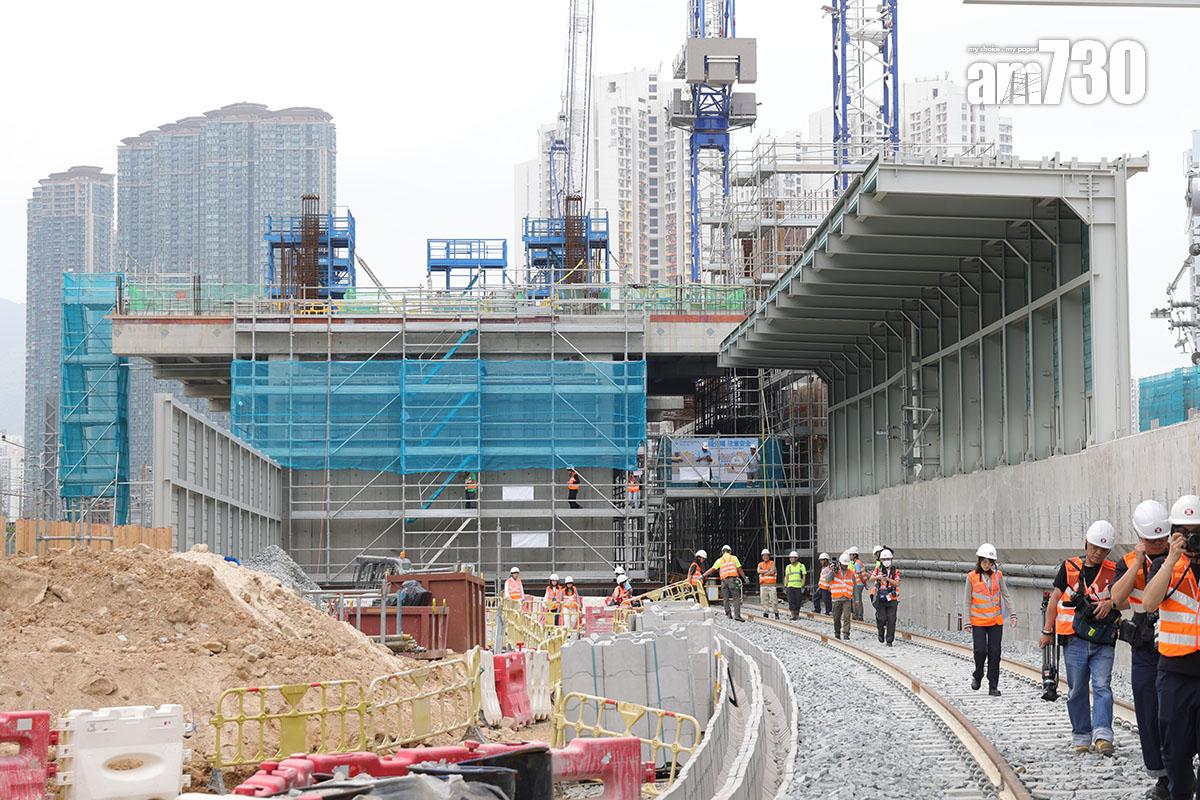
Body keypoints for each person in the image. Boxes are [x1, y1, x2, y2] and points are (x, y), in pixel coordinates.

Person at [1039, 520, 1119, 756]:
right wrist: (1047, 631)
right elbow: (1054, 600)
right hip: (1073, 639)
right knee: (1077, 689)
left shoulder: (1114, 571)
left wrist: (1110, 603)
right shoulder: (1070, 567)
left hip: (1103, 640)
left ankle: (1103, 735)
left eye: (1103, 549)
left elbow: (1126, 599)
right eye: (1094, 547)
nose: (1097, 552)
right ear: (1086, 543)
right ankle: (1082, 736)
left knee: (1102, 685)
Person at [1111, 499, 1172, 800]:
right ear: (1139, 536)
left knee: (1177, 713)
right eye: (1152, 540)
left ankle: (1182, 770)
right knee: (1148, 713)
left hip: (1176, 646)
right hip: (1146, 648)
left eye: (1163, 539)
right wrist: (1136, 562)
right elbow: (1116, 598)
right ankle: (1162, 777)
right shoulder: (1128, 564)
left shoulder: (1180, 558)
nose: (1159, 544)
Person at [1143, 495, 1200, 800]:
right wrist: (1171, 560)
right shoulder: (1164, 566)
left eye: (1197, 532)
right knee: (1176, 754)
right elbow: (1150, 603)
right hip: (1175, 673)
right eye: (1185, 532)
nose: (1192, 539)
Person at [963, 543, 1016, 696]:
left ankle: (993, 685)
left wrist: (1013, 614)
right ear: (979, 561)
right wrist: (967, 621)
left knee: (995, 653)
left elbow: (1006, 595)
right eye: (984, 561)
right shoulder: (971, 577)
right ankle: (978, 675)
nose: (986, 564)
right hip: (978, 621)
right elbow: (967, 601)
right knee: (980, 651)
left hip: (995, 621)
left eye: (989, 562)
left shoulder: (998, 576)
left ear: (993, 563)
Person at [705, 544, 746, 621]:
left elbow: (712, 569)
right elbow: (739, 569)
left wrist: (703, 575)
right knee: (736, 598)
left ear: (722, 552)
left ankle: (728, 615)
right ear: (730, 551)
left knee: (725, 599)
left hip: (723, 582)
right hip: (733, 581)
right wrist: (744, 578)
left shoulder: (719, 560)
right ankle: (737, 616)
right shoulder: (734, 558)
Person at [871, 548, 901, 646]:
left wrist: (887, 578)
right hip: (880, 599)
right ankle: (880, 632)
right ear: (881, 560)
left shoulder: (895, 571)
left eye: (888, 559)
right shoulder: (878, 569)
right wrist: (878, 577)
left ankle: (889, 641)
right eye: (884, 559)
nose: (886, 561)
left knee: (891, 620)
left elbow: (897, 583)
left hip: (892, 599)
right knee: (882, 618)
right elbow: (871, 578)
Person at [830, 553, 855, 639]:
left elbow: (853, 586)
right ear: (840, 563)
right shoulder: (835, 571)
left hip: (847, 598)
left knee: (847, 617)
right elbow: (828, 580)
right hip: (836, 599)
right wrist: (832, 571)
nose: (845, 566)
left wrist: (856, 599)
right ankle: (837, 632)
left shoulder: (851, 573)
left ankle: (846, 634)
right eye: (844, 565)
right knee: (836, 618)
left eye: (846, 565)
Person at [784, 551, 807, 620]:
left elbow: (804, 576)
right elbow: (786, 576)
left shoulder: (801, 566)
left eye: (792, 557)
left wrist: (803, 584)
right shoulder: (788, 567)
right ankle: (793, 615)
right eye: (790, 558)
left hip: (798, 586)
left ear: (796, 558)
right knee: (791, 601)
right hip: (790, 586)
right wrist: (785, 585)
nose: (790, 559)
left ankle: (797, 614)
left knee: (798, 601)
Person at [757, 549, 779, 619]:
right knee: (764, 600)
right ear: (762, 557)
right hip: (763, 585)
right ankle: (766, 613)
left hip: (771, 586)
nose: (765, 557)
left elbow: (772, 572)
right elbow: (758, 571)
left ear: (769, 556)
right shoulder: (760, 564)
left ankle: (776, 612)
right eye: (764, 556)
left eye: (767, 555)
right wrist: (767, 571)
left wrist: (763, 572)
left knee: (774, 600)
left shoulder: (772, 563)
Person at [848, 546, 866, 620]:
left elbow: (859, 574)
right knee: (857, 600)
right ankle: (857, 615)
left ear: (854, 555)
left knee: (857, 600)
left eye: (851, 555)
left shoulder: (856, 564)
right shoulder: (859, 562)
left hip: (858, 584)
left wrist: (865, 583)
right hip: (859, 584)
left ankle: (859, 616)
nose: (850, 556)